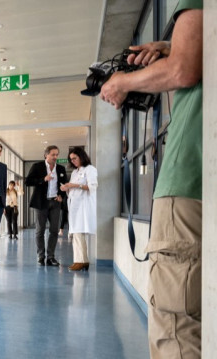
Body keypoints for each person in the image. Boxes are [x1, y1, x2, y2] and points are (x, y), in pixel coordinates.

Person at [100, 0, 202, 357]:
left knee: (178, 328)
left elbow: (185, 70)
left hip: (192, 180)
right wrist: (172, 47)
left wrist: (122, 82)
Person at [25, 145, 68, 266]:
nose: (55, 157)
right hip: (41, 203)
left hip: (55, 203)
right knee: (40, 231)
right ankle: (40, 256)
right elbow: (28, 182)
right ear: (46, 155)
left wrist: (61, 195)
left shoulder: (60, 168)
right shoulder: (37, 166)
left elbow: (64, 184)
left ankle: (50, 257)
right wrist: (43, 179)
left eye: (57, 154)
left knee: (54, 230)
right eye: (53, 154)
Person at [59, 147, 97, 271]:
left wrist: (74, 185)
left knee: (78, 233)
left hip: (83, 206)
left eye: (75, 158)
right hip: (74, 206)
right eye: (71, 159)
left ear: (82, 156)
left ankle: (80, 261)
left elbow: (92, 187)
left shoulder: (90, 169)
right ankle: (83, 260)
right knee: (76, 233)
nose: (73, 161)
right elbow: (73, 188)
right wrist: (67, 188)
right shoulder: (75, 172)